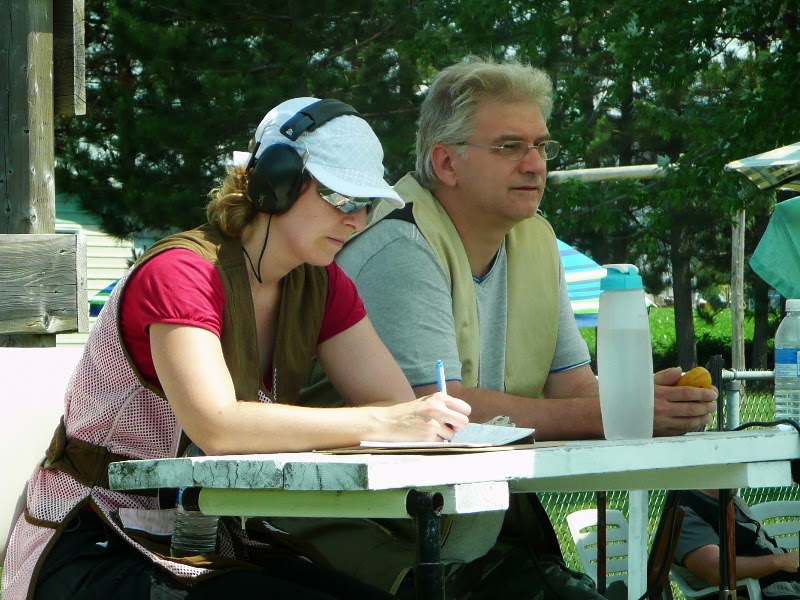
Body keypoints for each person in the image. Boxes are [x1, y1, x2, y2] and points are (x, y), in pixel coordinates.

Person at [0, 97, 471, 600]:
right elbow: (218, 426)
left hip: (206, 539)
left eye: (366, 203)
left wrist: (399, 420)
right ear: (275, 183)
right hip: (92, 539)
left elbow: (395, 408)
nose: (356, 219)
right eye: (340, 197)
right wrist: (385, 422)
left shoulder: (323, 284)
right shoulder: (181, 273)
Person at [285, 57, 720, 598]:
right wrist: (618, 413)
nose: (535, 164)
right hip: (363, 543)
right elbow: (432, 415)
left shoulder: (534, 238)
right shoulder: (397, 246)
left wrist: (644, 401)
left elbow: (573, 388)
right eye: (510, 147)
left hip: (460, 539)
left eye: (541, 145)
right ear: (447, 163)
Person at [674, 489, 800, 598]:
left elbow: (761, 545)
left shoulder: (732, 500)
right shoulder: (686, 513)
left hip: (787, 585)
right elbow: (716, 571)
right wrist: (781, 561)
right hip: (757, 594)